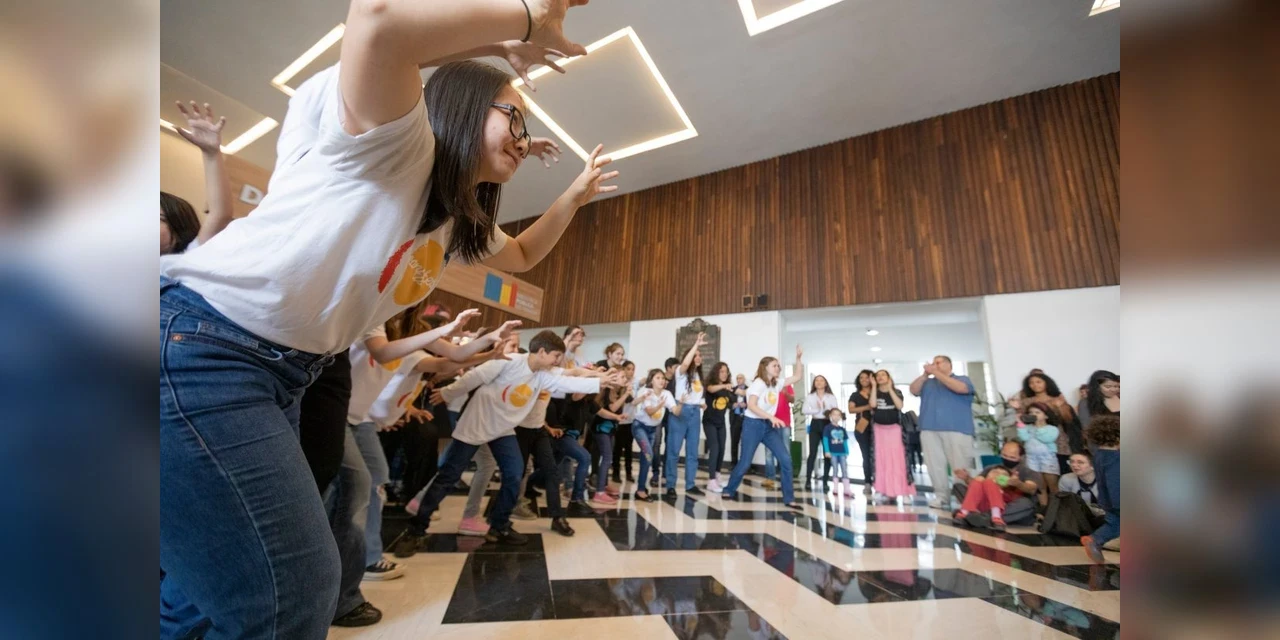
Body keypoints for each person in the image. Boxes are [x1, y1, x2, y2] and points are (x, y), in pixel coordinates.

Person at [160, 2, 607, 634]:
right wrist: (524, 20)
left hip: (281, 373)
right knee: (295, 594)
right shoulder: (397, 143)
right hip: (208, 347)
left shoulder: (451, 217)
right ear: (460, 107)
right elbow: (376, 22)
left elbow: (525, 254)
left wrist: (575, 195)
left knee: (202, 590)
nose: (523, 135)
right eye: (513, 115)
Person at [394, 330, 624, 555]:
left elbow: (566, 382)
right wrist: (448, 392)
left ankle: (499, 525)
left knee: (514, 473)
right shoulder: (509, 361)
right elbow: (475, 376)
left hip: (503, 429)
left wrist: (599, 381)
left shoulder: (541, 374)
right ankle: (416, 530)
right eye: (555, 356)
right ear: (542, 352)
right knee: (448, 476)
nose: (557, 361)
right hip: (476, 424)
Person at [720, 346, 806, 509]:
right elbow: (751, 405)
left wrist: (798, 359)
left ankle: (789, 498)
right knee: (745, 462)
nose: (778, 368)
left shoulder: (777, 383)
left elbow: (797, 376)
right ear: (765, 367)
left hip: (767, 426)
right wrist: (771, 417)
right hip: (752, 425)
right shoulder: (759, 383)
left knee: (785, 459)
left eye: (778, 365)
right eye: (774, 365)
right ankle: (729, 490)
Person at [160, 101, 235, 255]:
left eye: (159, 219)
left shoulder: (186, 259)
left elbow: (220, 215)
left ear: (179, 232)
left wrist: (211, 153)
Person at [909, 355, 977, 509]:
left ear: (949, 365)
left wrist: (936, 372)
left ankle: (963, 499)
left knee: (960, 464)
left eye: (938, 363)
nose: (934, 365)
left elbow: (960, 388)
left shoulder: (962, 379)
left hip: (957, 429)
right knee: (934, 465)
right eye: (933, 363)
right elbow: (913, 389)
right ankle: (941, 496)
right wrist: (925, 375)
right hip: (929, 428)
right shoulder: (928, 383)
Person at [952, 441, 1041, 531]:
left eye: (1012, 457)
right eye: (1005, 455)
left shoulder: (1029, 472)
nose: (1008, 459)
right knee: (958, 487)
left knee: (1026, 503)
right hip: (987, 502)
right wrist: (967, 478)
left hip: (1011, 507)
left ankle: (978, 516)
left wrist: (1018, 483)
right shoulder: (992, 468)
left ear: (1021, 457)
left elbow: (1031, 489)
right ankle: (979, 516)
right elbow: (977, 484)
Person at [666, 333, 708, 497]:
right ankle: (671, 485)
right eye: (695, 355)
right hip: (681, 411)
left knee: (692, 452)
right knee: (674, 450)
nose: (698, 357)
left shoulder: (698, 375)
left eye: (699, 355)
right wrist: (696, 344)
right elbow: (685, 364)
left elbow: (696, 394)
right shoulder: (680, 372)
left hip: (694, 413)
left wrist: (701, 402)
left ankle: (690, 484)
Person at [632, 368, 680, 501]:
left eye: (663, 378)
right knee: (649, 455)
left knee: (646, 458)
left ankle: (641, 488)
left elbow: (675, 411)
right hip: (640, 427)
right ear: (651, 380)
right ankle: (641, 490)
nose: (661, 380)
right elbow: (649, 412)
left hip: (652, 429)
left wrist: (681, 403)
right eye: (658, 378)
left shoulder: (667, 394)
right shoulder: (647, 392)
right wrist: (660, 405)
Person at [1081, 415, 1120, 564]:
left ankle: (1095, 540)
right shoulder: (1116, 458)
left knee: (1113, 524)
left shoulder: (1099, 455)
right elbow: (1115, 482)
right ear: (1117, 436)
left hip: (1106, 499)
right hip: (1119, 499)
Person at [870, 370, 914, 502]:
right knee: (881, 460)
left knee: (898, 460)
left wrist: (890, 389)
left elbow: (899, 406)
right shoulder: (874, 392)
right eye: (878, 376)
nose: (880, 377)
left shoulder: (897, 392)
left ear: (889, 378)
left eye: (883, 375)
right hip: (879, 430)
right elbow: (872, 405)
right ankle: (881, 489)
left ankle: (904, 491)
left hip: (895, 430)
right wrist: (874, 387)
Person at [1017, 402, 1063, 506]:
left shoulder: (1052, 429)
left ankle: (1056, 508)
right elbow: (1023, 437)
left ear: (1046, 415)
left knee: (1053, 486)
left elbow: (1046, 439)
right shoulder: (1028, 427)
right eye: (1031, 412)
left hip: (1048, 458)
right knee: (1040, 486)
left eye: (1037, 412)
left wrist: (1038, 426)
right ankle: (1044, 509)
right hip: (1031, 458)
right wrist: (1021, 424)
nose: (1034, 414)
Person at [703, 362, 735, 493]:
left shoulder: (727, 389)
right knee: (715, 448)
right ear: (716, 372)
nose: (724, 374)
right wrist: (724, 385)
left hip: (721, 423)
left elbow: (730, 404)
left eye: (726, 371)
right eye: (721, 371)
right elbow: (711, 389)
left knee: (722, 449)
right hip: (709, 422)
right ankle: (711, 481)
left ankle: (716, 476)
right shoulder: (711, 385)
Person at [802, 375, 839, 490]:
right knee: (812, 453)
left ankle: (825, 481)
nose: (819, 382)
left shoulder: (831, 396)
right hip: (815, 424)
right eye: (816, 380)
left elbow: (835, 411)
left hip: (827, 424)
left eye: (821, 380)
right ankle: (808, 480)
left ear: (825, 383)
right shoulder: (810, 396)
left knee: (827, 453)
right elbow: (804, 410)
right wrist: (817, 410)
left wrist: (826, 410)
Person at [847, 369, 876, 493]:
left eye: (867, 377)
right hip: (862, 427)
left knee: (877, 455)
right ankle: (867, 482)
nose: (864, 380)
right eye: (861, 378)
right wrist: (867, 407)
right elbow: (851, 409)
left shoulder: (877, 392)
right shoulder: (855, 395)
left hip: (878, 426)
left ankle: (879, 482)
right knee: (866, 455)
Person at [1058, 451, 1107, 521]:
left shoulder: (1106, 481)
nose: (1074, 465)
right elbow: (1065, 504)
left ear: (1093, 466)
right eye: (1071, 462)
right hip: (1077, 518)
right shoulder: (1066, 479)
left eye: (1080, 462)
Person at [612, 360, 638, 483]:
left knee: (628, 449)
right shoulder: (620, 385)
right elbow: (630, 400)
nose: (631, 372)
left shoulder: (634, 383)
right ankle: (615, 473)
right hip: (619, 420)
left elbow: (634, 400)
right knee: (617, 449)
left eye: (633, 369)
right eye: (628, 369)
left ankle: (628, 473)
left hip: (630, 420)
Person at [763, 383, 793, 488]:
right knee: (769, 452)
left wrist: (786, 393)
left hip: (784, 423)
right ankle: (770, 478)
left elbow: (792, 400)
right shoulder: (766, 386)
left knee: (786, 451)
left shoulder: (786, 385)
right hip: (770, 422)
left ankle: (787, 478)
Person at [822, 409, 853, 495]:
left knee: (844, 469)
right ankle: (835, 488)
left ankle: (846, 489)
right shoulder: (827, 428)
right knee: (835, 469)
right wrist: (827, 451)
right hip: (833, 453)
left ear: (840, 417)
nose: (836, 417)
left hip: (842, 452)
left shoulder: (842, 429)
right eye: (834, 414)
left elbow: (845, 441)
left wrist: (847, 452)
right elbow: (825, 440)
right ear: (830, 416)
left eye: (838, 415)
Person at [730, 374, 748, 468]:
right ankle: (734, 464)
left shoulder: (749, 389)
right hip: (735, 418)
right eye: (737, 378)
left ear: (744, 379)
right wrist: (733, 405)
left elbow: (754, 402)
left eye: (740, 378)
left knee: (745, 442)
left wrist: (746, 405)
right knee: (734, 441)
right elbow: (728, 402)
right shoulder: (733, 390)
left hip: (745, 418)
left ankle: (744, 464)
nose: (738, 380)